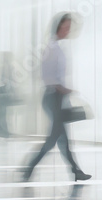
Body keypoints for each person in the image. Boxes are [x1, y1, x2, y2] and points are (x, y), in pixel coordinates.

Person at [21, 14, 91, 182]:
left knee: (62, 139)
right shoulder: (51, 48)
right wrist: (62, 88)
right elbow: (47, 77)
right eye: (65, 27)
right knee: (54, 139)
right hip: (53, 97)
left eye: (69, 27)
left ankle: (76, 171)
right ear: (57, 27)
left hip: (58, 97)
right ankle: (28, 168)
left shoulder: (57, 47)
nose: (67, 30)